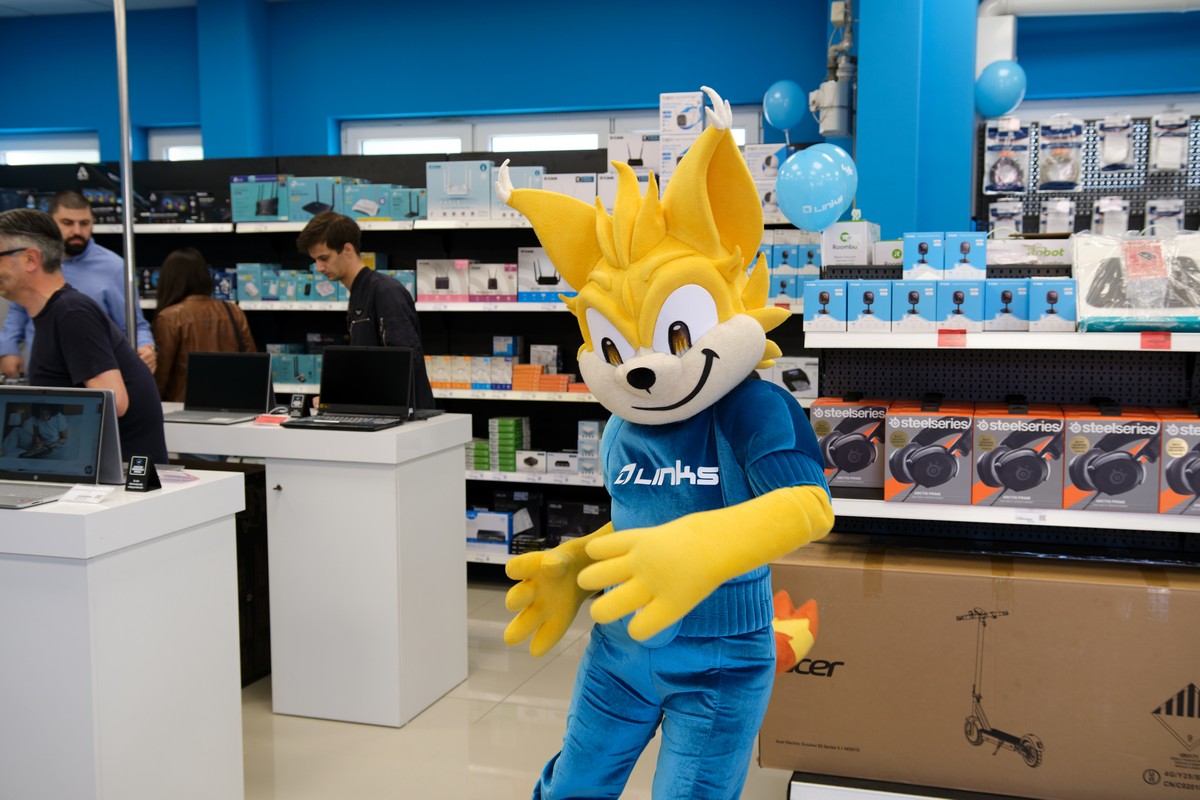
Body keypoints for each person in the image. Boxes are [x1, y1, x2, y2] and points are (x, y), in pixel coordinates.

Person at [0, 208, 167, 464]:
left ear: (31, 259)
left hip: (115, 476)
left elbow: (114, 402)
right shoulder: (55, 313)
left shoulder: (72, 314)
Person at [0, 190, 156, 380]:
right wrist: (8, 349)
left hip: (93, 377)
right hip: (41, 375)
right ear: (51, 222)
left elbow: (133, 323)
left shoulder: (113, 266)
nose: (77, 231)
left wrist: (146, 348)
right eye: (67, 223)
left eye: (84, 223)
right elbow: (18, 310)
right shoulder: (33, 261)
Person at [296, 211, 434, 409]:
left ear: (348, 249)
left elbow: (404, 365)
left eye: (324, 258)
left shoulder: (385, 291)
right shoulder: (358, 293)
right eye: (315, 260)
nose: (318, 267)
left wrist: (345, 397)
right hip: (378, 413)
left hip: (405, 418)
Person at [152, 247, 257, 402]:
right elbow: (253, 362)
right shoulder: (232, 310)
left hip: (183, 405)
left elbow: (161, 374)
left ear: (169, 280)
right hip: (230, 402)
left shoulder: (170, 317)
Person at [0, 404, 69, 458]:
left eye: (47, 414)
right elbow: (36, 434)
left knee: (62, 455)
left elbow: (64, 438)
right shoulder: (36, 418)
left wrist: (54, 445)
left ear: (52, 412)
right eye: (42, 414)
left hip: (53, 446)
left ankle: (38, 455)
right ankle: (3, 451)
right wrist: (38, 443)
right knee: (16, 430)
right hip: (38, 445)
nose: (44, 417)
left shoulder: (59, 418)